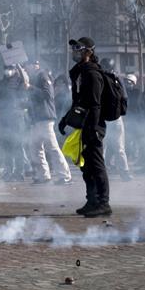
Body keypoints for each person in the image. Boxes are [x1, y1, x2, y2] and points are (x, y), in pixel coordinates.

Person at [59, 37, 110, 217]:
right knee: (87, 166)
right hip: (84, 126)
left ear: (89, 52)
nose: (75, 51)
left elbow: (95, 105)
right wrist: (66, 119)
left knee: (96, 165)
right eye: (74, 48)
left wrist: (93, 129)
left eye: (78, 48)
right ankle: (92, 201)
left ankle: (104, 203)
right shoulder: (81, 73)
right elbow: (79, 102)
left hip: (93, 126)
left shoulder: (92, 74)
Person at [27, 68, 71, 185]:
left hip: (45, 119)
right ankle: (43, 175)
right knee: (35, 147)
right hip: (37, 120)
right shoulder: (33, 78)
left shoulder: (42, 76)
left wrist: (31, 88)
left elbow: (48, 94)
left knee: (52, 147)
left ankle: (64, 176)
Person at [0, 64, 28, 182]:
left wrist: (19, 67)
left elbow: (26, 80)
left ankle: (19, 172)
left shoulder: (18, 82)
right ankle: (8, 171)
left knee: (18, 145)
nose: (8, 71)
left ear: (15, 70)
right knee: (6, 146)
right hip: (3, 120)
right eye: (6, 68)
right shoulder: (0, 84)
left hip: (17, 119)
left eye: (11, 68)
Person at [101, 59, 132, 181]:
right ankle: (125, 172)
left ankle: (100, 173)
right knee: (119, 147)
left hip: (103, 118)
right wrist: (122, 112)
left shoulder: (100, 79)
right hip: (117, 118)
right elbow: (125, 97)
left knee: (101, 147)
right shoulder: (118, 79)